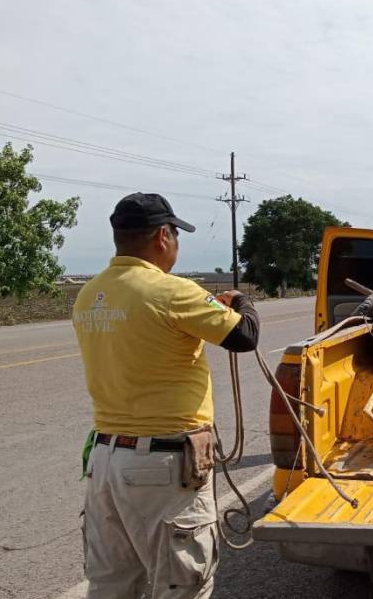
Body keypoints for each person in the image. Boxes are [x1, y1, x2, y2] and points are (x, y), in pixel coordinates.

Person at [72, 193, 260, 598]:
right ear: (162, 236)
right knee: (182, 586)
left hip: (104, 462)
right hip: (161, 466)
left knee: (111, 586)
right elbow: (245, 336)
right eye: (176, 235)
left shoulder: (89, 294)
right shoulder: (173, 292)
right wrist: (242, 301)